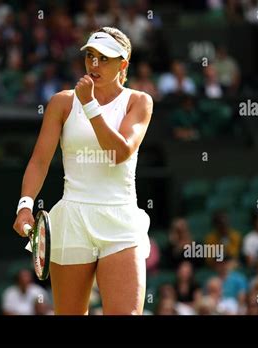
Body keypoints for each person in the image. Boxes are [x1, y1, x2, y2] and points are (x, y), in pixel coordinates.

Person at [13, 27, 153, 315]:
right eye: (91, 56)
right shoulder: (62, 103)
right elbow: (39, 160)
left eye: (105, 58)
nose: (94, 65)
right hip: (72, 220)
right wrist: (24, 205)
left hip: (121, 221)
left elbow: (119, 153)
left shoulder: (139, 102)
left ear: (122, 65)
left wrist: (90, 105)